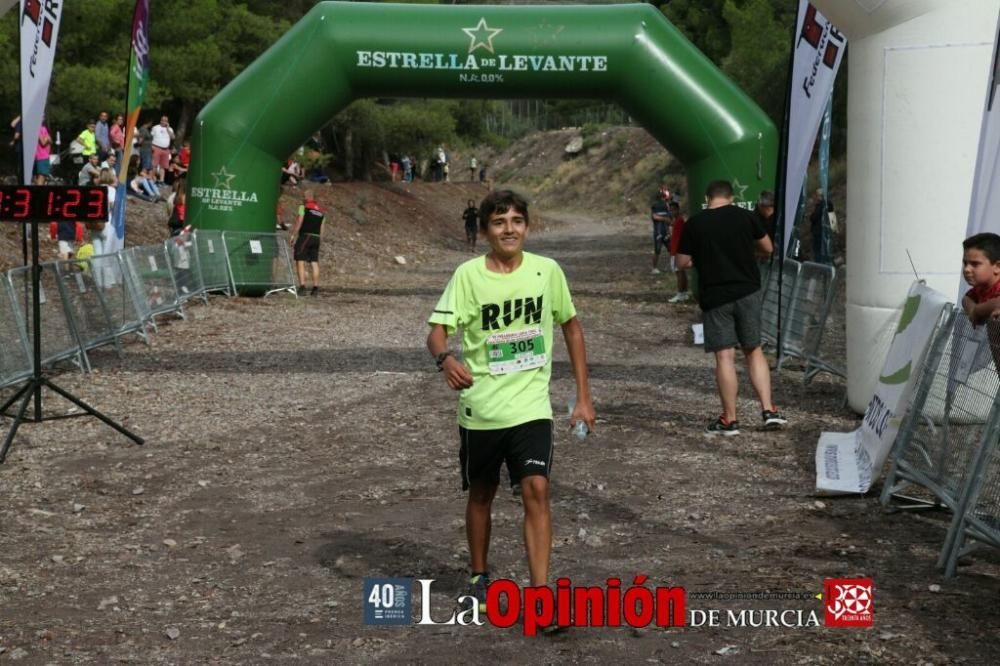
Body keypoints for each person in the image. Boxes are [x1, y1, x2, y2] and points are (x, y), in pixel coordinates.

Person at [426, 190, 595, 623]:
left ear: (527, 227)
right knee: (482, 493)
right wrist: (446, 359)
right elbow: (437, 332)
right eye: (499, 222)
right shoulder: (467, 276)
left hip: (531, 407)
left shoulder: (547, 272)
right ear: (485, 230)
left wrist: (583, 397)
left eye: (517, 221)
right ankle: (478, 575)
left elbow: (572, 329)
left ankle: (541, 594)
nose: (509, 229)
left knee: (537, 489)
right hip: (481, 409)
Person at [676, 180, 787, 436]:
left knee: (725, 357)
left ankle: (730, 419)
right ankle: (769, 410)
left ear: (707, 198)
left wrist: (698, 260)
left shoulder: (696, 223)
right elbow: (768, 248)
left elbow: (681, 262)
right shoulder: (746, 217)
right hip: (747, 290)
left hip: (716, 295)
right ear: (732, 196)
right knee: (753, 350)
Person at [289, 189, 325, 296]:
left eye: (304, 196)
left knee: (300, 260)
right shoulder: (321, 212)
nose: (303, 198)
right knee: (314, 262)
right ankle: (315, 288)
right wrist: (319, 241)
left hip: (305, 236)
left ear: (308, 197)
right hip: (316, 238)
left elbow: (300, 221)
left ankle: (302, 287)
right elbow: (322, 229)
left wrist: (293, 235)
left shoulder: (303, 207)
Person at [961, 232, 1000, 326]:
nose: (967, 269)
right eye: (965, 263)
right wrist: (972, 311)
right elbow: (966, 299)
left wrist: (977, 311)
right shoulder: (980, 288)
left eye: (975, 264)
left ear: (997, 267)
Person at [667, 200, 690, 303]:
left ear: (677, 210)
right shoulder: (677, 220)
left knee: (679, 273)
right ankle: (684, 293)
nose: (672, 212)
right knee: (681, 272)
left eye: (673, 210)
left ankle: (680, 294)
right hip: (676, 249)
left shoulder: (679, 221)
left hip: (676, 250)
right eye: (670, 210)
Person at [650, 187, 672, 274]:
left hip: (666, 232)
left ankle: (674, 266)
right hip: (658, 232)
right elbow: (654, 217)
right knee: (657, 250)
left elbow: (671, 220)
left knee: (671, 249)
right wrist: (664, 219)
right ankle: (654, 268)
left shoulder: (668, 206)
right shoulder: (656, 205)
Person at [809, 189, 833, 265]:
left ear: (820, 196)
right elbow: (832, 216)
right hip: (826, 232)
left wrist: (812, 215)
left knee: (818, 251)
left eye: (817, 195)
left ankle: (820, 266)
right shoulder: (828, 204)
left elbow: (814, 217)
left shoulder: (820, 206)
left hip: (818, 232)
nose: (816, 197)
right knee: (825, 250)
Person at [151, 115, 175, 184]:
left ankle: (161, 180)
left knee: (163, 166)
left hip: (165, 149)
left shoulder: (170, 129)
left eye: (166, 121)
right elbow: (151, 137)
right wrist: (152, 146)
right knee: (154, 164)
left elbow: (173, 137)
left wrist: (167, 129)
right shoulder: (155, 127)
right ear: (160, 120)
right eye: (163, 120)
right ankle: (153, 178)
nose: (164, 122)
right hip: (156, 147)